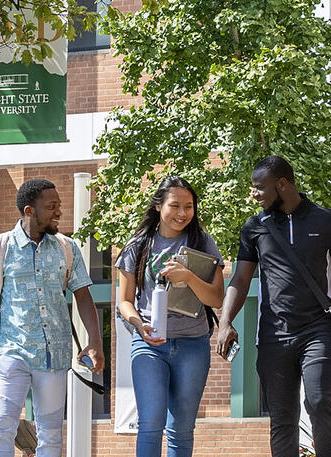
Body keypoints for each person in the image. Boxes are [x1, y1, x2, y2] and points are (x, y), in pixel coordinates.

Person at [211, 156, 331, 457]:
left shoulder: (326, 220)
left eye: (260, 188)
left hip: (317, 331)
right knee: (283, 418)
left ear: (283, 184)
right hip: (273, 335)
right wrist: (225, 322)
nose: (254, 194)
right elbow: (241, 278)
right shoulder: (254, 228)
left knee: (321, 401)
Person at [0, 178, 106, 457]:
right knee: (2, 427)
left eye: (59, 206)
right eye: (51, 207)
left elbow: (84, 296)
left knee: (50, 433)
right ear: (29, 210)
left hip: (53, 355)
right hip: (10, 352)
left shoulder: (68, 248)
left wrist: (95, 342)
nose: (59, 213)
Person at [114, 176, 226, 457]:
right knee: (150, 423)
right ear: (158, 206)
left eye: (189, 207)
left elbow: (216, 298)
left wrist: (188, 276)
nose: (182, 213)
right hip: (149, 344)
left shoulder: (203, 243)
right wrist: (139, 325)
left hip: (193, 344)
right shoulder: (136, 247)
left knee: (181, 428)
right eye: (175, 205)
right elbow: (125, 302)